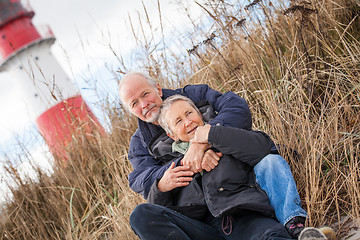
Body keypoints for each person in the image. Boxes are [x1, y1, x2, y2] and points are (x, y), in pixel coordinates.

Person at [119, 71, 307, 238]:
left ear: (158, 89)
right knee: (141, 214)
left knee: (269, 170)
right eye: (134, 103)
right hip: (197, 217)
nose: (144, 104)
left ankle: (295, 227)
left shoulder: (194, 95)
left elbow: (237, 109)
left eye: (145, 94)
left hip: (236, 201)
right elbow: (142, 181)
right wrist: (185, 165)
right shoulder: (140, 143)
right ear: (171, 135)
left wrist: (205, 141)